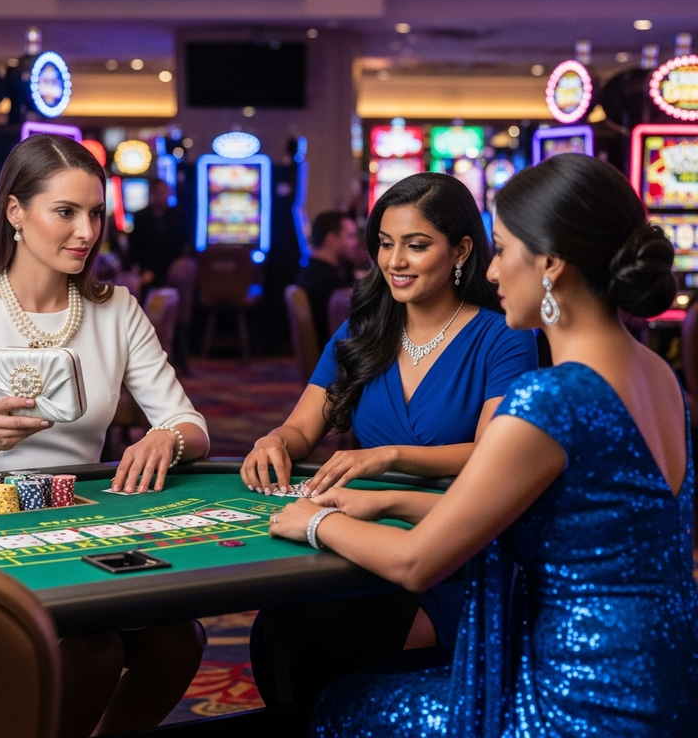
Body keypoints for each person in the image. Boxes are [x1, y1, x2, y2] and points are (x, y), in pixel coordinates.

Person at [270, 153, 698, 736]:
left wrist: (312, 523)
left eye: (500, 249)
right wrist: (385, 501)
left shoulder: (551, 398)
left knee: (342, 704)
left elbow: (415, 562)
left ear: (549, 263)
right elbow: (569, 517)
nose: (493, 273)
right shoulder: (658, 375)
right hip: (667, 676)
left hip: (579, 697)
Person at [0, 133, 211, 738]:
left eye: (95, 213)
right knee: (92, 650)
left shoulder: (116, 307)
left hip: (85, 512)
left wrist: (167, 440)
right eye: (66, 212)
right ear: (16, 213)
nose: (86, 231)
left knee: (178, 642)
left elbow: (191, 425)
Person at [240, 172, 538, 706]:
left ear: (461, 250)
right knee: (282, 630)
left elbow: (493, 457)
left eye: (416, 245)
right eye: (385, 243)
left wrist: (390, 456)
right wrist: (275, 442)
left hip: (451, 540)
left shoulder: (504, 336)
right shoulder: (362, 329)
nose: (395, 261)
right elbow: (303, 427)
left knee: (343, 643)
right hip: (351, 532)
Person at [295, 210, 361, 345]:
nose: (355, 243)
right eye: (350, 236)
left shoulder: (315, 271)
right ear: (331, 239)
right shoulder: (325, 280)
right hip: (338, 357)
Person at [127, 177, 190, 303]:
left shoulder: (178, 216)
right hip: (146, 266)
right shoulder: (141, 216)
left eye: (164, 192)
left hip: (171, 266)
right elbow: (134, 248)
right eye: (158, 192)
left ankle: (183, 321)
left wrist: (157, 273)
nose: (161, 195)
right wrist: (142, 271)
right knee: (130, 283)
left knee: (185, 270)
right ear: (151, 194)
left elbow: (183, 246)